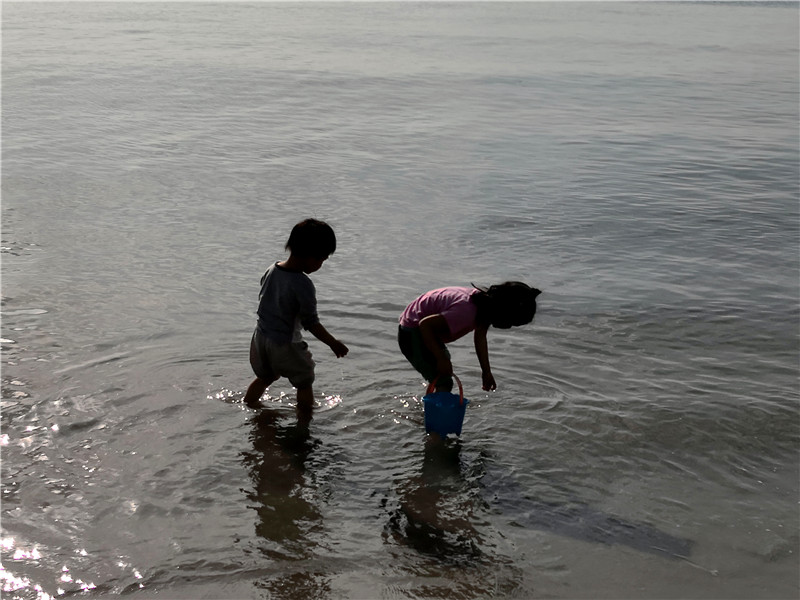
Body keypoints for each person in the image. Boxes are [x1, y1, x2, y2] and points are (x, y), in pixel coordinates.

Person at [244, 219, 349, 419]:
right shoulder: (303, 284)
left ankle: (249, 408)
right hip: (285, 344)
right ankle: (305, 421)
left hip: (260, 339)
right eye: (322, 259)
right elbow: (311, 322)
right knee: (304, 381)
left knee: (264, 378)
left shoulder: (272, 269)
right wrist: (333, 343)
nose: (320, 265)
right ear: (311, 255)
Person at [398, 282, 541, 392]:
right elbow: (425, 325)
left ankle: (427, 413)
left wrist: (486, 372)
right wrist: (440, 358)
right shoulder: (467, 312)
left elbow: (480, 338)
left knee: (441, 373)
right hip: (412, 332)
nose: (508, 327)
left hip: (425, 330)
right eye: (511, 322)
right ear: (503, 310)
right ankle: (433, 424)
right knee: (443, 380)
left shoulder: (484, 305)